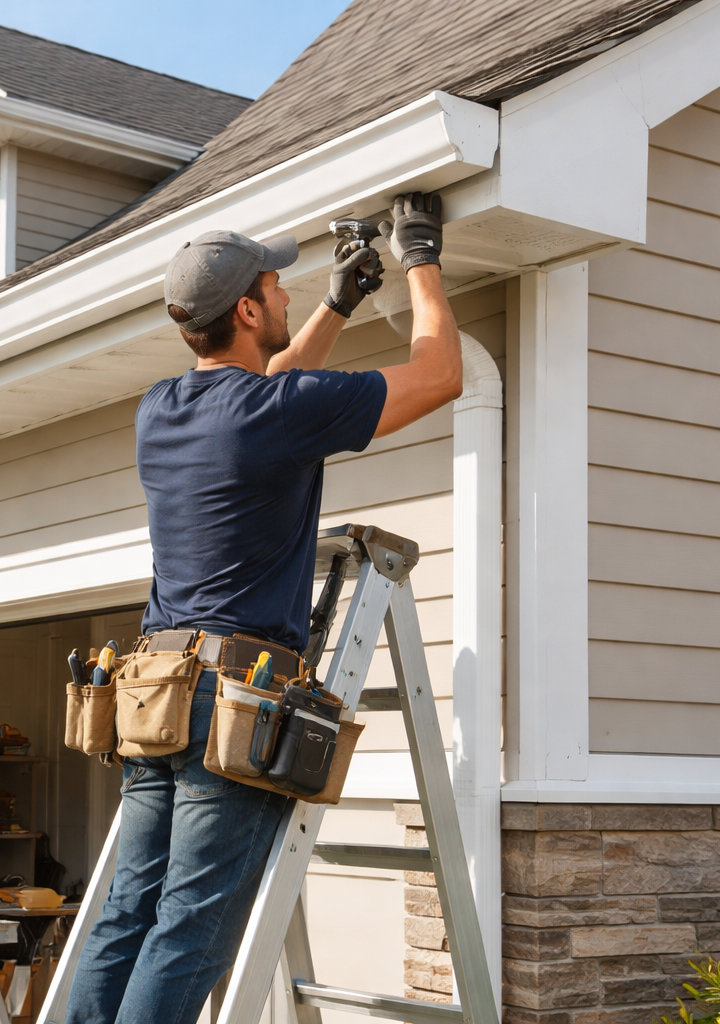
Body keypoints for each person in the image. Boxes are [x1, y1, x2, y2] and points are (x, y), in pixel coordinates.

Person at [64, 194, 462, 1024]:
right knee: (188, 932)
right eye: (278, 286)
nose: (287, 295)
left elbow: (261, 390)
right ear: (246, 308)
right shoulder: (277, 415)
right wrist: (421, 255)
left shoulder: (160, 410)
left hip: (156, 692)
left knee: (127, 916)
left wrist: (336, 304)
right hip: (232, 701)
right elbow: (440, 375)